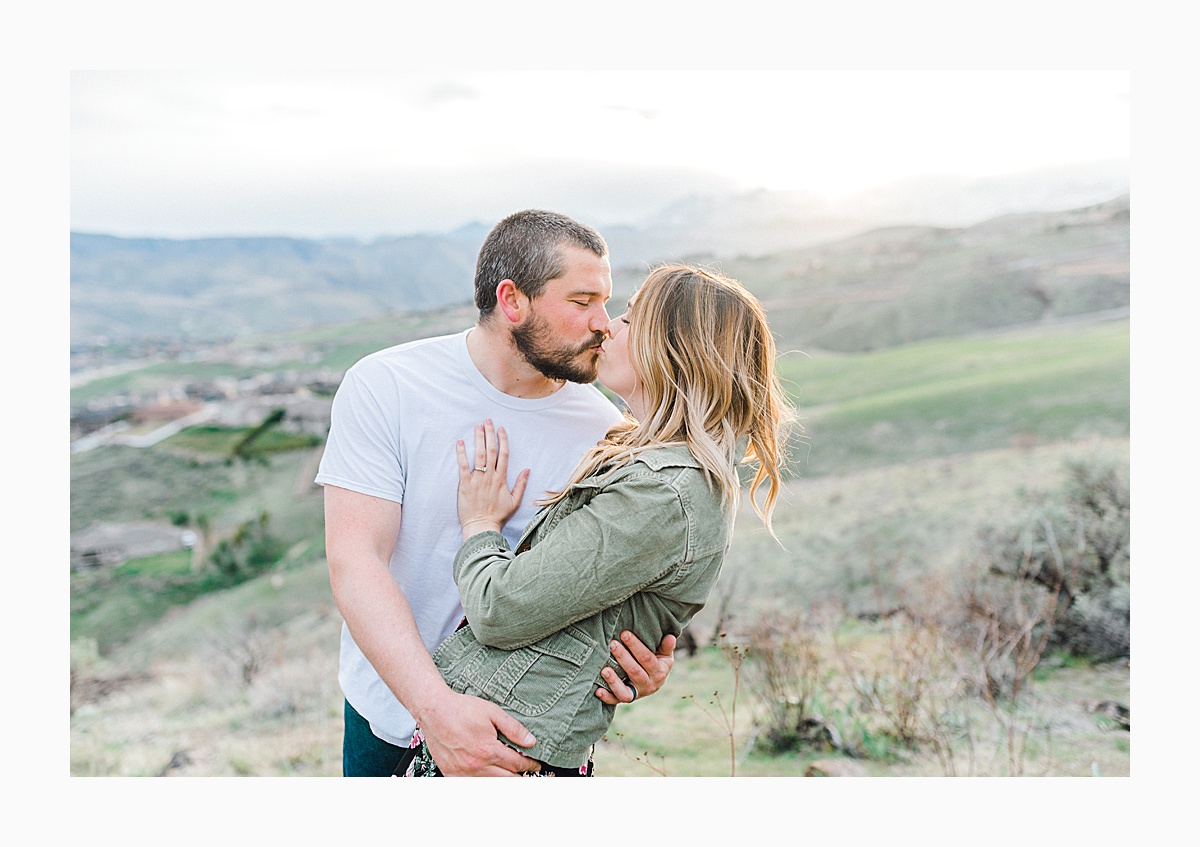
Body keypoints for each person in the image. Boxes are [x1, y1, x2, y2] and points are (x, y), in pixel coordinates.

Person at [316, 210, 678, 777]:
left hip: (528, 744)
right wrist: (435, 712)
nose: (604, 324)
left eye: (606, 303)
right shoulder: (387, 385)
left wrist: (637, 662)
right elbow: (355, 561)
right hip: (389, 714)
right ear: (513, 301)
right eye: (582, 303)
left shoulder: (605, 431)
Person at [395, 264, 794, 777]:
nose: (609, 327)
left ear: (672, 350)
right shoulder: (645, 459)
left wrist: (480, 523)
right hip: (500, 738)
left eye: (629, 319)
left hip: (508, 754)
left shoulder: (664, 491)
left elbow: (499, 608)